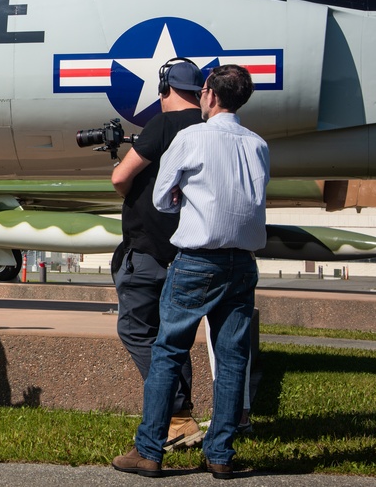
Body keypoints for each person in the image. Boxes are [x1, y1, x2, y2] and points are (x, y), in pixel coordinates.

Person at [112, 64, 269, 479]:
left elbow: (163, 198)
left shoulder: (189, 136)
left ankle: (149, 449)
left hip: (198, 259)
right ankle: (221, 454)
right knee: (233, 357)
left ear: (211, 96)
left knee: (168, 351)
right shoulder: (257, 144)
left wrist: (186, 198)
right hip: (243, 263)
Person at [110, 57, 205, 452]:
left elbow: (120, 177)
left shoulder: (162, 125)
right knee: (173, 336)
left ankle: (176, 414)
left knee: (135, 329)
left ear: (164, 88)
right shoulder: (206, 129)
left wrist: (122, 172)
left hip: (147, 247)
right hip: (186, 250)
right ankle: (183, 417)